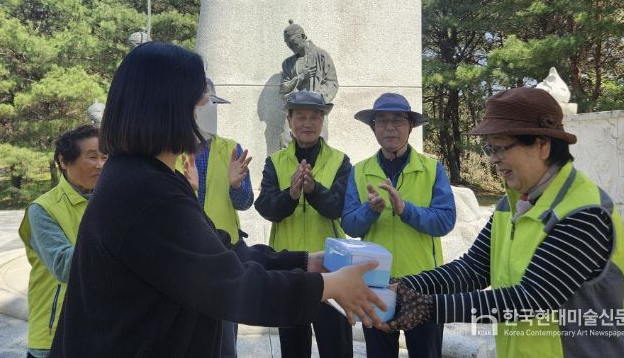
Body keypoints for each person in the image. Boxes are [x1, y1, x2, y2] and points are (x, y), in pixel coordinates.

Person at [49, 42, 384, 358]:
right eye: (202, 97)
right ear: (169, 106)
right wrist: (327, 285)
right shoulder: (146, 193)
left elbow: (223, 252)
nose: (210, 106)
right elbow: (227, 284)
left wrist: (307, 262)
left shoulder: (149, 176)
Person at [386, 87, 624, 358]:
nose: (492, 159)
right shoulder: (510, 205)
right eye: (489, 148)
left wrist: (428, 307)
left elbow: (532, 297)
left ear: (542, 145)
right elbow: (473, 269)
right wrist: (404, 286)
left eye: (500, 147)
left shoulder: (584, 212)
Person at [342, 93, 456, 358]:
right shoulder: (360, 171)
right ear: (373, 128)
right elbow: (349, 225)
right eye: (382, 121)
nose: (390, 127)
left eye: (398, 120)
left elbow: (445, 221)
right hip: (375, 283)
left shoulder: (432, 169)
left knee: (426, 352)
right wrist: (370, 211)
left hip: (424, 283)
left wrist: (405, 210)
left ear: (410, 126)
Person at [255, 90, 353, 358]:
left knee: (337, 346)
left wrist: (314, 190)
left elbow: (339, 207)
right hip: (289, 268)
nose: (307, 123)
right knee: (293, 348)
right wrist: (291, 195)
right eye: (300, 117)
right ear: (289, 120)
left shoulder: (340, 161)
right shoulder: (275, 162)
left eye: (314, 117)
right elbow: (265, 207)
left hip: (331, 267)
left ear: (322, 121)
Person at [19, 125, 107, 358]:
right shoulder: (42, 209)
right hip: (54, 333)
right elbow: (64, 266)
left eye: (105, 157)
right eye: (92, 157)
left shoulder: (110, 200)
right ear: (64, 161)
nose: (100, 165)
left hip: (101, 331)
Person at [193, 78, 254, 358]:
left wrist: (236, 186)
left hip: (225, 253)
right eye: (203, 105)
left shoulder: (231, 149)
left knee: (225, 340)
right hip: (187, 254)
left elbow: (245, 203)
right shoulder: (172, 152)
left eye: (212, 105)